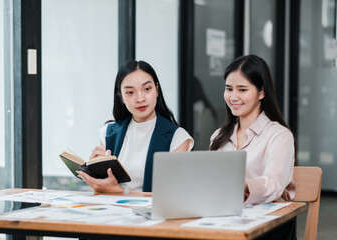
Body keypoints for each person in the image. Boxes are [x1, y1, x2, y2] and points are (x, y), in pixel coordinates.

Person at [209, 55, 296, 240]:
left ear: (261, 92)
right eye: (229, 89)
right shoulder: (218, 137)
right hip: (224, 223)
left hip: (268, 229)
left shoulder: (279, 136)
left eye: (242, 89)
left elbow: (273, 184)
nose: (233, 97)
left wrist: (243, 184)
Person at [77, 60, 194, 194]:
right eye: (130, 92)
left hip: (150, 213)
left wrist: (120, 191)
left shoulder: (178, 138)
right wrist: (96, 172)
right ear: (121, 97)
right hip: (113, 210)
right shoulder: (108, 132)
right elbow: (104, 187)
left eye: (147, 89)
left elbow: (170, 195)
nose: (140, 99)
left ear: (157, 90)